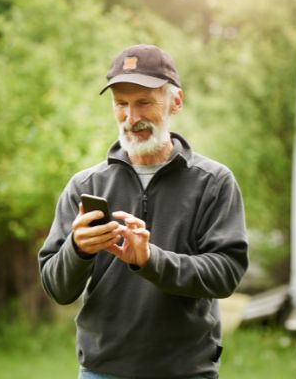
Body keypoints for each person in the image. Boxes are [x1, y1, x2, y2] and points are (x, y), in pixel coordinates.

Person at [38, 44, 249, 379]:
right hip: (101, 371)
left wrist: (150, 260)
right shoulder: (85, 186)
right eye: (121, 104)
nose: (131, 118)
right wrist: (77, 249)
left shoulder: (213, 183)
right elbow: (57, 288)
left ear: (175, 102)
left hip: (186, 371)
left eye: (144, 103)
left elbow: (226, 274)